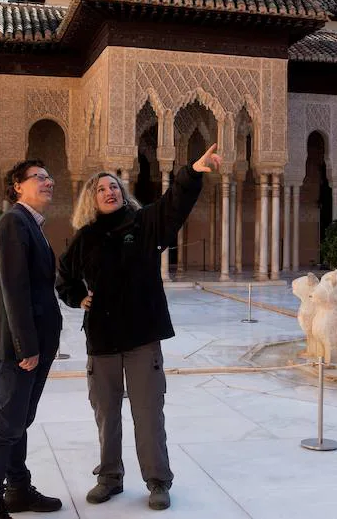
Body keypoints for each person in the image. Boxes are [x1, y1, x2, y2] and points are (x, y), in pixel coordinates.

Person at [56, 144, 222, 511]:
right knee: (106, 413)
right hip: (102, 339)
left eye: (113, 186)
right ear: (91, 200)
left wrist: (192, 172)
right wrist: (77, 297)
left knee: (148, 412)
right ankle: (110, 478)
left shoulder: (143, 224)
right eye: (101, 189)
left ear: (122, 192)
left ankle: (158, 481)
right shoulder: (85, 239)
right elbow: (64, 277)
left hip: (142, 336)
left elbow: (173, 205)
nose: (109, 191)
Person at [0, 160, 64, 519]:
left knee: (20, 420)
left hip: (34, 344)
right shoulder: (14, 222)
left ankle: (17, 490)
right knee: (8, 423)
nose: (48, 182)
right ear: (17, 185)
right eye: (40, 178)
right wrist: (25, 347)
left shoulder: (30, 224)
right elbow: (14, 290)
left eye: (49, 177)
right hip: (21, 347)